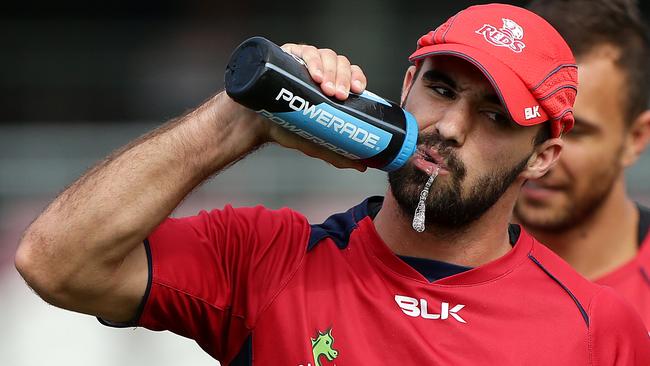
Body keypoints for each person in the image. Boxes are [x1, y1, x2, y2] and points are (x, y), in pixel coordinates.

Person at [14, 3, 650, 365]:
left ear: (543, 157)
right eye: (440, 88)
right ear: (405, 89)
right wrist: (238, 121)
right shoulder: (269, 257)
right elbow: (56, 262)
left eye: (495, 116)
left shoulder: (599, 328)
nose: (450, 128)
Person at [516, 0, 650, 327]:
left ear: (635, 138)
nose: (542, 156)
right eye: (526, 122)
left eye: (574, 132)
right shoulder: (440, 263)